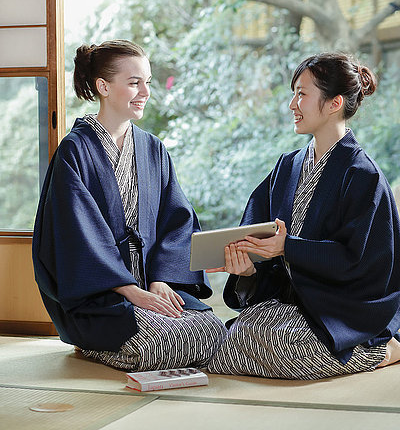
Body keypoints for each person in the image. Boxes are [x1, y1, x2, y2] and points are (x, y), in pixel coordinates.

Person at [33, 39, 226, 371]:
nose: (145, 92)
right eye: (134, 82)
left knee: (214, 331)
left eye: (147, 82)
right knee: (153, 344)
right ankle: (94, 338)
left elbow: (177, 222)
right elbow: (76, 237)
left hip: (152, 281)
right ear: (104, 86)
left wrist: (162, 280)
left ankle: (123, 334)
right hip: (101, 294)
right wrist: (129, 291)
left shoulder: (153, 149)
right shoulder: (74, 151)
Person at [207, 52, 400, 380]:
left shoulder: (362, 174)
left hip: (340, 309)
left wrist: (288, 248)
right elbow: (260, 233)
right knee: (220, 344)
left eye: (302, 94)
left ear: (334, 103)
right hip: (292, 302)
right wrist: (248, 265)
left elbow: (358, 261)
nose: (292, 105)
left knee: (282, 348)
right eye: (293, 94)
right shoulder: (288, 165)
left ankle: (382, 348)